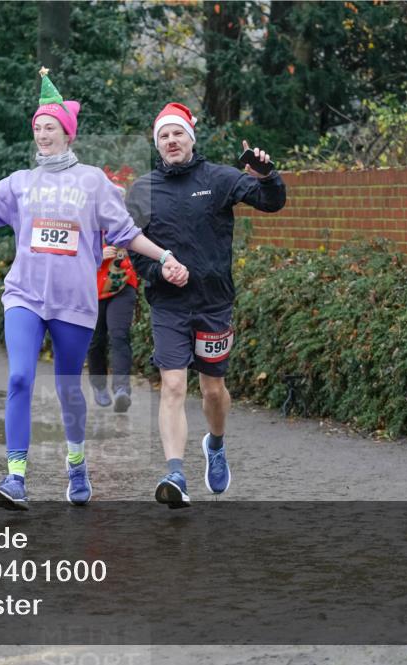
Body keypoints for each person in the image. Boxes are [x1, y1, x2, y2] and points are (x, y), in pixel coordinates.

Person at [0, 69, 188, 511]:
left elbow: (124, 232)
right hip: (24, 296)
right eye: (37, 128)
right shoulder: (20, 183)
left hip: (73, 303)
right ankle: (16, 478)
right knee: (20, 376)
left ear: (67, 134)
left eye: (50, 128)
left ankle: (76, 462)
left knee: (68, 389)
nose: (42, 135)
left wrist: (163, 257)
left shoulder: (93, 181)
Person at [126, 102, 286, 508]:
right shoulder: (143, 190)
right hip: (169, 306)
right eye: (163, 136)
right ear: (157, 145)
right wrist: (160, 272)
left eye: (178, 133)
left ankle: (215, 444)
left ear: (191, 138)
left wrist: (267, 175)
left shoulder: (218, 178)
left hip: (214, 303)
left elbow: (271, 202)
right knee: (174, 385)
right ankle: (175, 474)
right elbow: (134, 250)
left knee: (213, 390)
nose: (171, 140)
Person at [87, 233, 138, 413]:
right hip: (91, 288)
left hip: (122, 284)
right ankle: (99, 384)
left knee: (119, 336)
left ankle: (121, 389)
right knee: (96, 340)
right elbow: (72, 251)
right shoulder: (83, 213)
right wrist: (98, 254)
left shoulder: (124, 215)